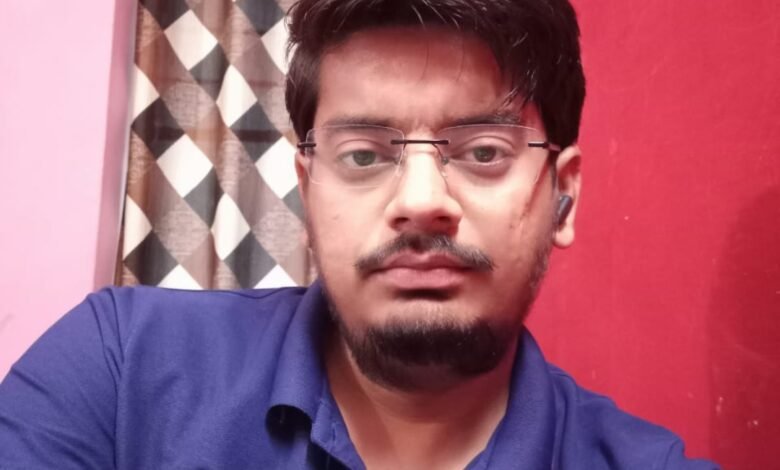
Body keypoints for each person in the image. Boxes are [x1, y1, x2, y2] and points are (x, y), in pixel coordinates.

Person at [0, 0, 718, 468]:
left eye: (483, 152)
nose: (421, 202)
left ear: (564, 195)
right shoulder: (120, 369)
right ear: (308, 186)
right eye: (365, 156)